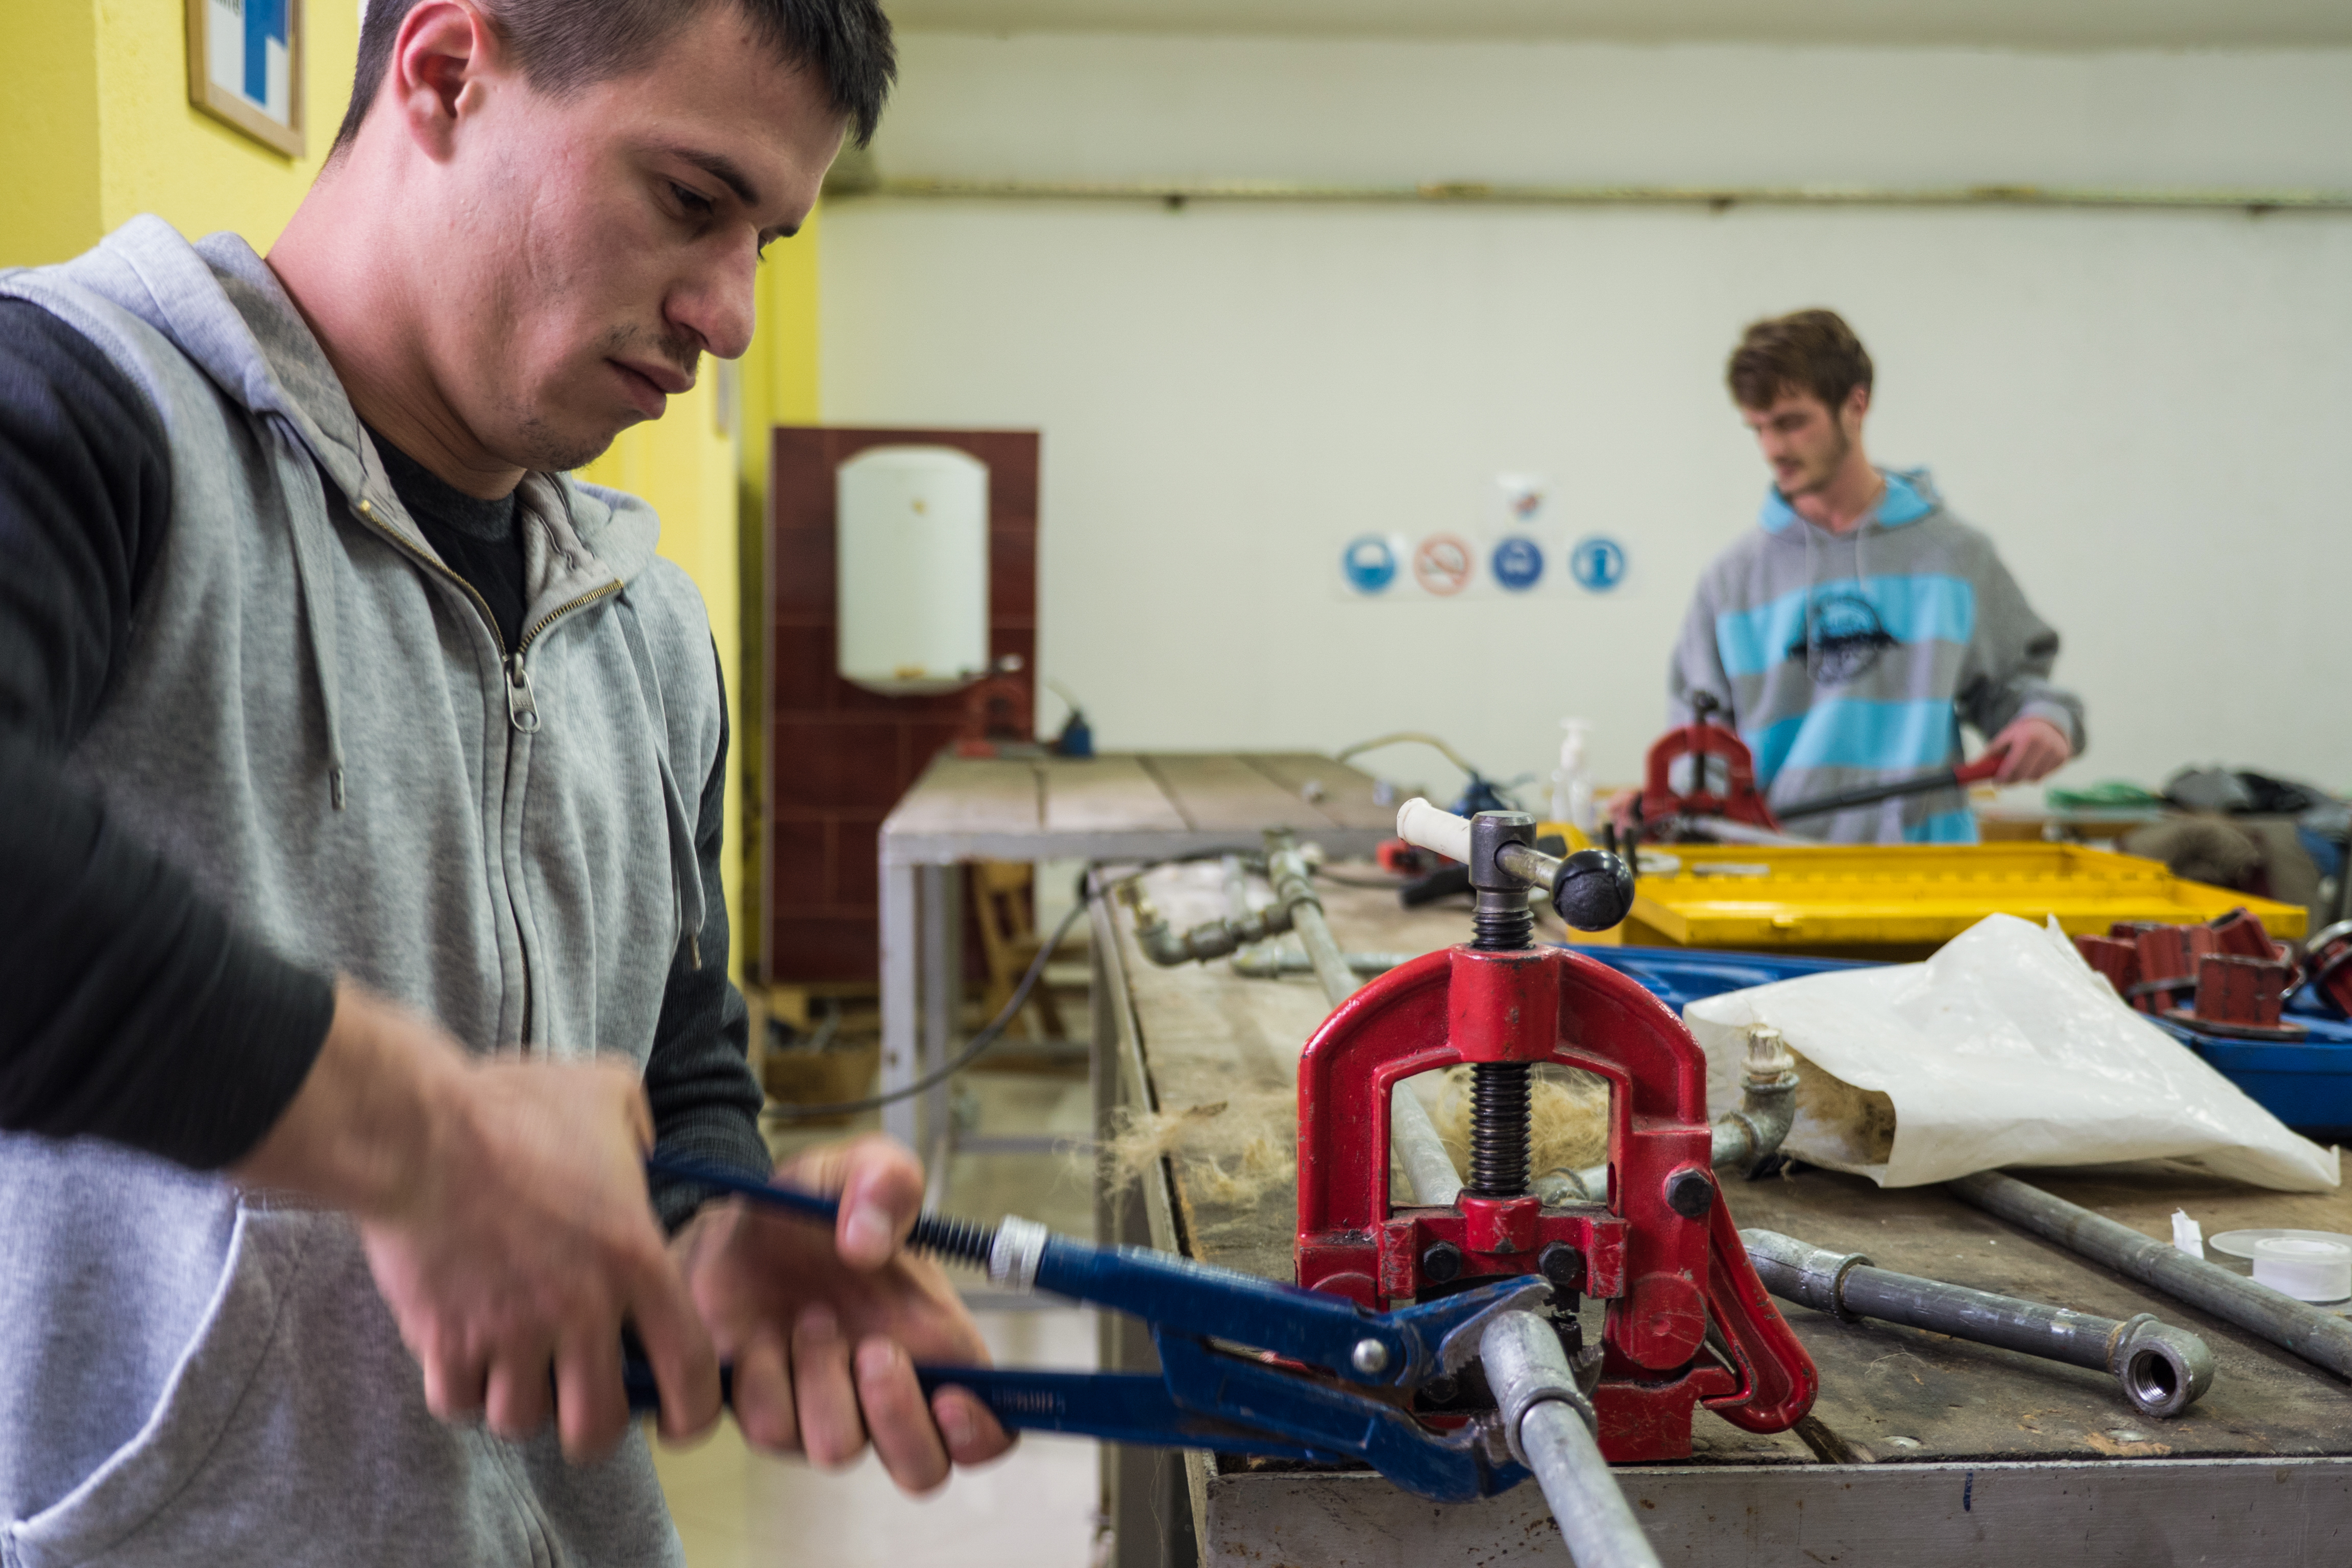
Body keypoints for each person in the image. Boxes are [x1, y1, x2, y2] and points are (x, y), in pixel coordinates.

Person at [0, 1, 1010, 1560]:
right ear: (447, 72)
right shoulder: (79, 416)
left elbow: (676, 1051)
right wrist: (422, 1134)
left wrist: (725, 1219)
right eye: (690, 201)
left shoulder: (648, 623)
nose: (731, 311)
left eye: (769, 238)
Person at [1667, 309, 2086, 844]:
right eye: (1759, 428)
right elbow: (1696, 748)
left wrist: (2043, 723)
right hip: (1773, 873)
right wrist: (1684, 796)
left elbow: (2018, 688)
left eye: (1793, 422)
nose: (1774, 449)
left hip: (1927, 875)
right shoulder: (1731, 580)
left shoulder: (1955, 557)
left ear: (1856, 405)